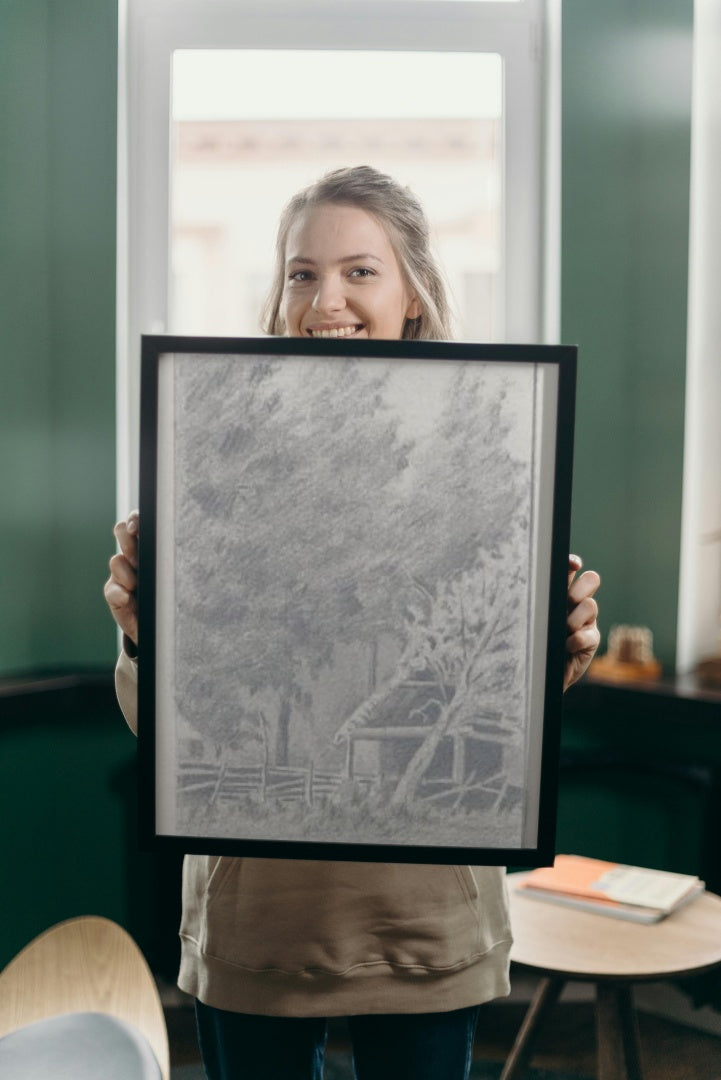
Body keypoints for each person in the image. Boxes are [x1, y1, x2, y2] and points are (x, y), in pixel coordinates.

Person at [105, 166, 601, 1080]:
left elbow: (498, 720)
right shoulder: (213, 454)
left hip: (425, 922)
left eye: (359, 271)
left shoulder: (491, 447)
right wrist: (144, 637)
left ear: (412, 292)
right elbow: (170, 727)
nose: (324, 298)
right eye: (301, 272)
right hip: (257, 923)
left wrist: (554, 650)